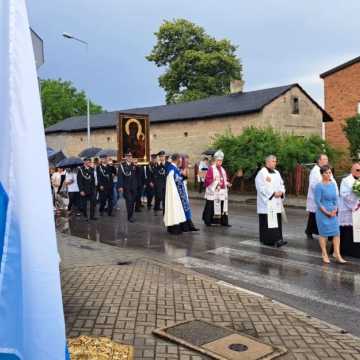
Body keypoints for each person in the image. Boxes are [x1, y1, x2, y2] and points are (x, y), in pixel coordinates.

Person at [314, 165, 346, 264]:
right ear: (322, 174)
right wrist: (327, 212)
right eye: (326, 173)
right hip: (323, 213)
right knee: (323, 234)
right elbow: (318, 202)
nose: (328, 174)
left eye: (330, 173)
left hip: (333, 212)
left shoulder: (332, 184)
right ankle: (324, 254)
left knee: (336, 233)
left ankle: (337, 254)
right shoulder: (319, 186)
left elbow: (336, 198)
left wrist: (335, 209)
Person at [255, 155, 287, 247]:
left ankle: (278, 239)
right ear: (267, 162)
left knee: (276, 220)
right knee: (268, 221)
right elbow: (261, 187)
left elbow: (282, 184)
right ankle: (268, 240)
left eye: (275, 161)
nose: (275, 163)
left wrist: (281, 192)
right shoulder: (262, 173)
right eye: (273, 161)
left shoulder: (277, 172)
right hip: (267, 203)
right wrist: (273, 193)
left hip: (276, 202)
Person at [164, 153, 199, 234]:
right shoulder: (171, 169)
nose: (181, 161)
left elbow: (179, 178)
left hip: (179, 193)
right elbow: (174, 180)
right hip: (175, 194)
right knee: (174, 210)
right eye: (180, 159)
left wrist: (183, 176)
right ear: (176, 160)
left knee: (182, 210)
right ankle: (174, 228)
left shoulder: (175, 168)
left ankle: (186, 226)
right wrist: (181, 177)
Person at [305, 154, 332, 239]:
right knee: (314, 215)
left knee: (315, 216)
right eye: (324, 159)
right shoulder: (315, 171)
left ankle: (310, 230)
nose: (326, 161)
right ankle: (309, 231)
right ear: (319, 161)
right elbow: (314, 185)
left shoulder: (326, 170)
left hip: (325, 196)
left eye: (327, 159)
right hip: (317, 197)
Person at [202, 150, 231, 227]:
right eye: (219, 160)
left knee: (222, 206)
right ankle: (208, 221)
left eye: (221, 161)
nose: (220, 162)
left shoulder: (223, 169)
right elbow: (207, 180)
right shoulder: (211, 168)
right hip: (213, 191)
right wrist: (215, 184)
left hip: (221, 191)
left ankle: (222, 222)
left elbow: (224, 179)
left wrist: (227, 183)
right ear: (216, 160)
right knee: (210, 206)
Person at [339, 162, 360, 258]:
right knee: (348, 231)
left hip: (358, 210)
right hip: (347, 209)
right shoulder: (346, 180)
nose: (359, 172)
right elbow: (344, 194)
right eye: (357, 170)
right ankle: (346, 250)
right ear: (352, 170)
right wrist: (355, 204)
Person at [117, 152, 138, 222]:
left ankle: (131, 215)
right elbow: (120, 177)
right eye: (128, 156)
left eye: (130, 156)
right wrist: (120, 186)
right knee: (129, 201)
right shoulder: (122, 166)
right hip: (126, 187)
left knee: (132, 202)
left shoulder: (133, 165)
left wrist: (136, 165)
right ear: (125, 157)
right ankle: (130, 217)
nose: (129, 157)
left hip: (134, 187)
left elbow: (138, 175)